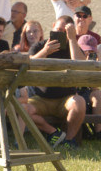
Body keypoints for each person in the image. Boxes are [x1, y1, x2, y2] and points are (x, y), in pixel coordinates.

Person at [27, 16, 86, 149]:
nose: (61, 34)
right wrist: (45, 51)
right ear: (53, 26)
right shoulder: (40, 46)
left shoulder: (73, 47)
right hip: (40, 100)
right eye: (59, 30)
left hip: (65, 100)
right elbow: (29, 64)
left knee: (80, 102)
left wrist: (71, 39)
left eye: (65, 32)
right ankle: (55, 133)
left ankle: (69, 141)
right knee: (23, 109)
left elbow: (82, 65)